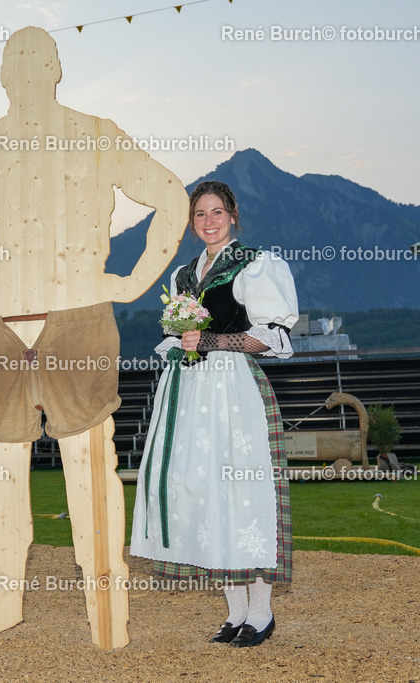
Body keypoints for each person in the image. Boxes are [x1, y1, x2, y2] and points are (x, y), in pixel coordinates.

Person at [0, 26, 188, 650]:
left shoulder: (97, 134)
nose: (30, 71)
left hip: (77, 317)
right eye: (19, 61)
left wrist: (135, 279)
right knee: (1, 472)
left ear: (57, 69)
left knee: (91, 466)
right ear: (5, 75)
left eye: (39, 61)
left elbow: (170, 194)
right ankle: (1, 599)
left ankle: (107, 611)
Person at [130, 180, 299, 648]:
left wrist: (209, 342)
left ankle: (261, 613)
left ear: (233, 214)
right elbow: (177, 335)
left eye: (217, 212)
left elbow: (272, 338)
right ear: (192, 221)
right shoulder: (184, 274)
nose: (209, 221)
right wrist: (175, 348)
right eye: (200, 214)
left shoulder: (255, 264)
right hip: (189, 392)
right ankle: (235, 612)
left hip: (233, 391)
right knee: (207, 496)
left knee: (243, 495)